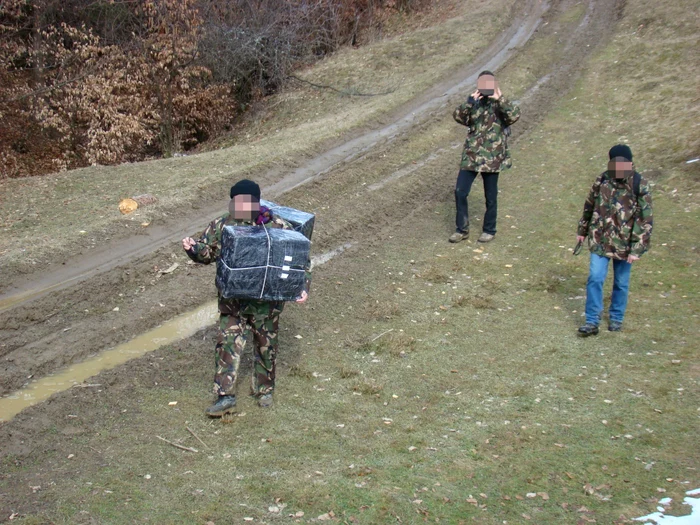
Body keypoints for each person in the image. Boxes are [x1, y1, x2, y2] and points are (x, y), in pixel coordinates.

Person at [182, 179, 310, 415]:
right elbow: (208, 252)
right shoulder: (223, 224)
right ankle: (225, 397)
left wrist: (302, 286)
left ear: (255, 201)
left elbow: (300, 258)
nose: (240, 204)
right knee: (227, 346)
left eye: (245, 200)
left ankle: (264, 391)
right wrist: (193, 249)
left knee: (266, 347)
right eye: (236, 200)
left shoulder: (276, 225)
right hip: (234, 304)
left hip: (266, 304)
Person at [576, 145, 653, 336]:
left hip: (625, 244)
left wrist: (637, 249)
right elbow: (589, 205)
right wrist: (582, 230)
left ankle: (616, 318)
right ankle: (592, 321)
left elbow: (645, 219)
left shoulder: (639, 184)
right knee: (595, 277)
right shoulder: (602, 179)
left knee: (621, 282)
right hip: (599, 239)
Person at [450, 70, 521, 244]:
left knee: (490, 196)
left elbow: (514, 116)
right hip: (472, 157)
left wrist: (500, 98)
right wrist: (469, 102)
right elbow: (458, 117)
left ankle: (489, 230)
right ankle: (462, 229)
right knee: (460, 191)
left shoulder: (500, 104)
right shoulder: (474, 103)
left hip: (492, 158)